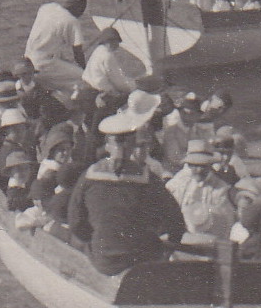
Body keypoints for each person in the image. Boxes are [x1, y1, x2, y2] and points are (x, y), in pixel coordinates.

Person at [67, 115, 186, 275]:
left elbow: (76, 223)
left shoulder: (88, 177)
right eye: (120, 142)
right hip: (141, 258)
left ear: (107, 145)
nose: (122, 149)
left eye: (125, 143)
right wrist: (167, 248)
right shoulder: (149, 179)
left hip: (104, 261)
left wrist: (101, 240)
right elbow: (176, 221)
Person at [166, 139, 238, 244]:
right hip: (181, 239)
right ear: (189, 165)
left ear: (210, 165)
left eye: (203, 166)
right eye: (195, 165)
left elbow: (226, 223)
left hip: (208, 241)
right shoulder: (178, 183)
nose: (199, 170)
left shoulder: (220, 189)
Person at [24, 0, 88, 97]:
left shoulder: (47, 7)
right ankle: (75, 105)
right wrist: (85, 70)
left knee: (64, 69)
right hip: (44, 65)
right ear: (79, 7)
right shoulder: (72, 21)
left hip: (28, 61)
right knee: (84, 79)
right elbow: (78, 54)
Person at [82, 24, 147, 97]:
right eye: (116, 42)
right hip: (100, 90)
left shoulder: (99, 50)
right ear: (111, 42)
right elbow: (118, 81)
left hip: (89, 85)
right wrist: (133, 87)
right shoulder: (107, 56)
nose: (118, 45)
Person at [13, 59, 69, 130]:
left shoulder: (40, 90)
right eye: (24, 74)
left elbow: (44, 115)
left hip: (37, 124)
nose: (28, 76)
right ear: (18, 75)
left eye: (30, 73)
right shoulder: (12, 89)